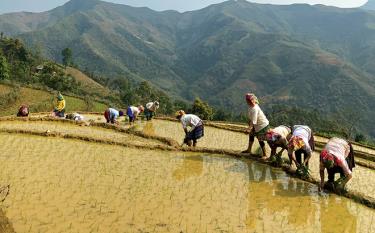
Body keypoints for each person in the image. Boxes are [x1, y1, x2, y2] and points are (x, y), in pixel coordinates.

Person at [242, 93, 269, 158]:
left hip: (262, 125)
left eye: (251, 100)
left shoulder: (255, 108)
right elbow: (250, 118)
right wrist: (249, 127)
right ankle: (249, 150)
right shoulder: (250, 107)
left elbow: (254, 121)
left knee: (260, 139)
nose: (250, 101)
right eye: (249, 100)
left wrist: (249, 129)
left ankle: (265, 154)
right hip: (256, 124)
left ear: (253, 100)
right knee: (251, 135)